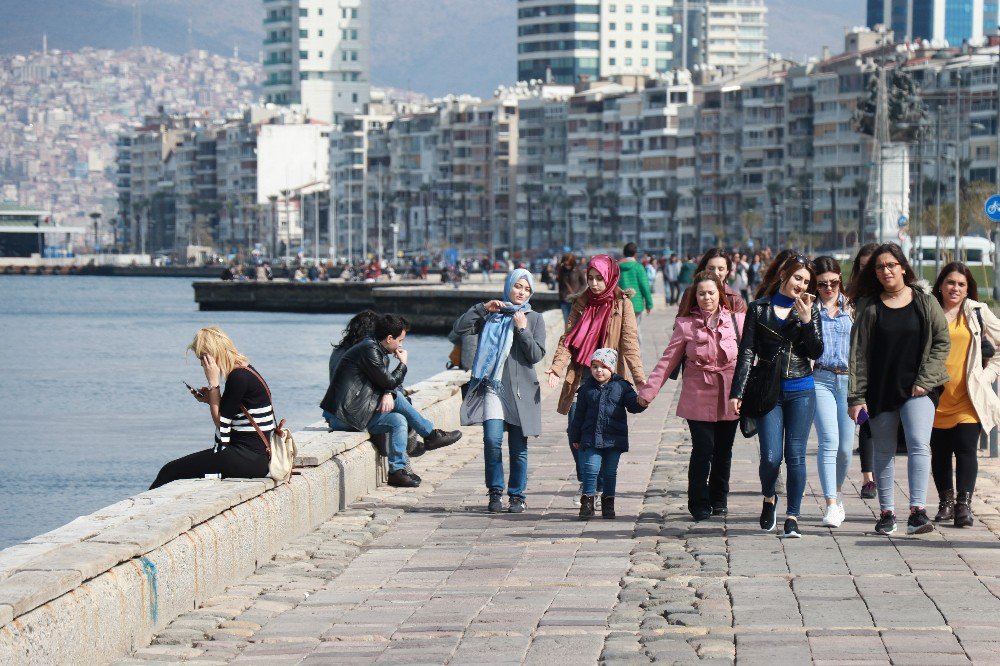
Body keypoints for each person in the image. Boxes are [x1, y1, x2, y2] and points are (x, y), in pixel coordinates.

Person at [848, 243, 950, 536]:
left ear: (903, 267)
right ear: (875, 273)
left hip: (918, 389)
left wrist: (925, 379)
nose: (886, 270)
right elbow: (857, 354)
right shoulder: (869, 305)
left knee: (919, 443)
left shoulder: (924, 300)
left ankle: (918, 511)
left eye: (891, 264)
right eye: (880, 267)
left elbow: (942, 341)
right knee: (883, 450)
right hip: (880, 389)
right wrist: (856, 397)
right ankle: (887, 512)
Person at [730, 255, 823, 538]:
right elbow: (747, 352)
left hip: (801, 390)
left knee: (796, 455)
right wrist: (738, 391)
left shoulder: (809, 309)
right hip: (768, 390)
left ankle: (793, 515)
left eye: (806, 281)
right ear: (784, 274)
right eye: (797, 278)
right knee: (770, 457)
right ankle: (769, 497)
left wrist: (807, 321)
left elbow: (816, 352)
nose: (801, 285)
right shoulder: (759, 309)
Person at [639, 270, 744, 520]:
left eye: (711, 292)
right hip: (698, 392)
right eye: (701, 293)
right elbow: (667, 360)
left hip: (730, 392)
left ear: (720, 294)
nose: (706, 297)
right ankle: (698, 501)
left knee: (723, 450)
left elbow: (750, 358)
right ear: (694, 296)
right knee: (702, 448)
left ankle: (719, 498)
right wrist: (647, 392)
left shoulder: (738, 321)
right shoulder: (686, 325)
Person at [546, 255, 646, 503]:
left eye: (599, 278)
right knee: (575, 429)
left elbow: (630, 344)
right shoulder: (582, 302)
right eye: (590, 278)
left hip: (610, 377)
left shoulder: (623, 305)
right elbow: (568, 338)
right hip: (582, 374)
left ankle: (598, 484)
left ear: (610, 277)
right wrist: (557, 368)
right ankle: (587, 479)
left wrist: (640, 380)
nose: (593, 283)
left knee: (605, 429)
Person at [320, 313, 462, 488]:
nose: (401, 345)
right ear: (389, 338)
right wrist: (403, 364)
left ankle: (397, 471)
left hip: (357, 412)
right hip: (343, 417)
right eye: (400, 340)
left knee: (398, 420)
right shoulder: (369, 350)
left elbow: (383, 381)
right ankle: (430, 434)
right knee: (399, 397)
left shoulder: (374, 348)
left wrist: (388, 392)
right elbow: (389, 381)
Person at [452, 269, 547, 514]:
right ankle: (495, 491)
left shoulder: (534, 318)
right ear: (508, 286)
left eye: (526, 289)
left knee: (518, 448)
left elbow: (536, 355)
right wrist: (482, 308)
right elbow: (459, 330)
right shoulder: (490, 315)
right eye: (518, 286)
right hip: (492, 387)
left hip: (521, 392)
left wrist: (523, 329)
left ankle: (517, 496)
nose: (521, 292)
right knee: (492, 440)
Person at [150, 327, 272, 489]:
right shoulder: (246, 370)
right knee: (175, 470)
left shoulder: (238, 377)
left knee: (169, 471)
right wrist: (210, 399)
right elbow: (232, 413)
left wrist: (213, 384)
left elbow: (221, 424)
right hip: (255, 458)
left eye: (203, 358)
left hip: (247, 458)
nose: (202, 364)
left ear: (212, 354)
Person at [929, 263, 1000, 527]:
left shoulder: (977, 312)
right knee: (939, 452)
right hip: (935, 397)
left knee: (966, 449)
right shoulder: (929, 310)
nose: (955, 288)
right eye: (950, 283)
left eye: (961, 284)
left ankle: (963, 506)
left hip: (968, 397)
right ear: (940, 285)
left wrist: (988, 375)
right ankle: (945, 503)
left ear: (968, 288)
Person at [568, 348, 646, 519]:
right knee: (590, 468)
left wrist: (642, 401)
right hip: (590, 437)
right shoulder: (586, 389)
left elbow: (633, 406)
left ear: (611, 368)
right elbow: (578, 415)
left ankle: (608, 503)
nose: (598, 371)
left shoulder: (622, 386)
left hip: (614, 437)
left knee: (610, 471)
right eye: (594, 367)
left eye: (603, 367)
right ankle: (587, 502)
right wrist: (575, 437)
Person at [811, 256, 854, 528]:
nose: (829, 288)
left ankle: (837, 495)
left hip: (849, 381)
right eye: (823, 284)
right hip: (820, 378)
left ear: (840, 279)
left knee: (846, 449)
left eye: (834, 282)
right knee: (829, 441)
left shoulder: (853, 307)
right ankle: (829, 505)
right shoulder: (809, 308)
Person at [846, 243, 879, 498]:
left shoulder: (893, 296)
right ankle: (868, 478)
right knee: (865, 422)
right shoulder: (850, 298)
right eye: (863, 266)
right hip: (858, 367)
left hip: (886, 368)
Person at [677, 248, 748, 315]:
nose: (715, 273)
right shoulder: (690, 293)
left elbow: (741, 326)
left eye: (721, 269)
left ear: (727, 271)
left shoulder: (735, 300)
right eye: (711, 268)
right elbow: (679, 323)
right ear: (703, 268)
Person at [619, 242, 654, 331]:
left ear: (624, 253)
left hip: (620, 303)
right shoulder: (638, 267)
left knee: (622, 329)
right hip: (636, 304)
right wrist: (649, 304)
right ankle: (636, 345)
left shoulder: (617, 267)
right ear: (635, 254)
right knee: (635, 330)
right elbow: (645, 286)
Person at [557, 253, 587, 323]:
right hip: (564, 300)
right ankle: (568, 334)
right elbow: (560, 284)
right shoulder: (561, 270)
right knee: (566, 321)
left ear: (572, 262)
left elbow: (584, 284)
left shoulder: (578, 270)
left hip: (575, 300)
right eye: (565, 264)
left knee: (575, 321)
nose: (567, 266)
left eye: (569, 264)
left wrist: (578, 294)